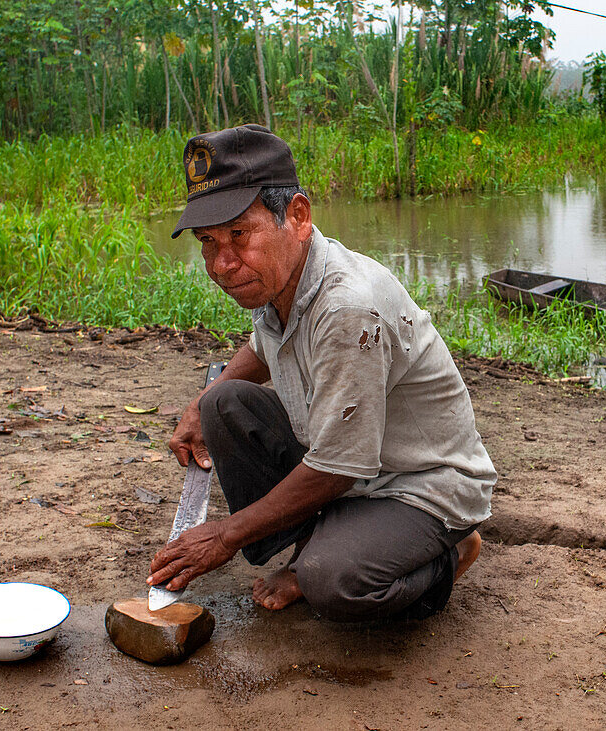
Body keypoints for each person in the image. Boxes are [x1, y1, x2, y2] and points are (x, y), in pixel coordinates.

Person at [147, 124, 496, 621]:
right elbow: (265, 348)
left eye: (239, 235)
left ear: (298, 216)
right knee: (221, 403)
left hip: (420, 481)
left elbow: (337, 467)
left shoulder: (347, 309)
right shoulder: (282, 274)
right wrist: (203, 403)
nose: (223, 263)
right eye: (208, 242)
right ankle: (323, 539)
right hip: (354, 466)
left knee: (333, 582)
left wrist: (223, 536)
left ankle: (446, 554)